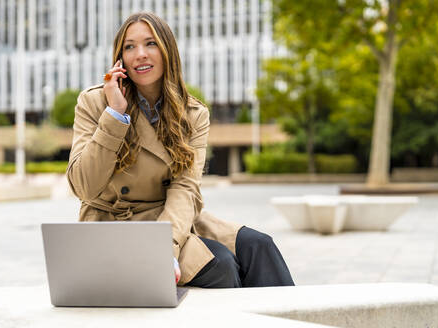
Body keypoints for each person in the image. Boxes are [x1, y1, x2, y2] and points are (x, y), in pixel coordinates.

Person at [66, 12, 294, 288]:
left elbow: (185, 187)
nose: (140, 54)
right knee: (220, 265)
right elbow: (84, 187)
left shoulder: (193, 113)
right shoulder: (95, 102)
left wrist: (166, 246)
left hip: (170, 216)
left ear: (167, 51)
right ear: (120, 59)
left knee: (260, 246)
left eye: (150, 44)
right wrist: (115, 114)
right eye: (130, 47)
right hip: (116, 223)